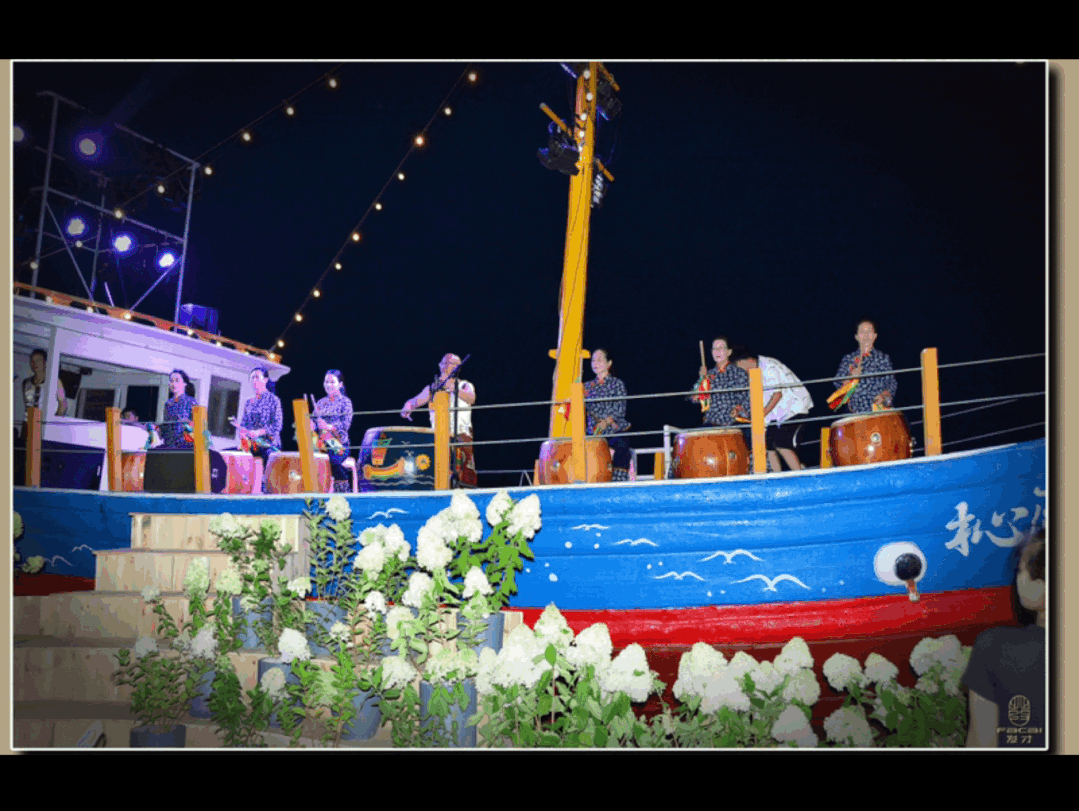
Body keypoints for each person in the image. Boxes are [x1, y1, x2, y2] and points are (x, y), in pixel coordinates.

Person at [962, 528, 1046, 748]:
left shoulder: (995, 647)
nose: (1018, 578)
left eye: (1021, 570)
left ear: (1042, 585)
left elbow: (982, 742)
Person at [400, 353, 477, 487]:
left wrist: (452, 387)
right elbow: (415, 401)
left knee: (464, 471)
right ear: (440, 365)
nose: (448, 366)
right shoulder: (432, 389)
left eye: (453, 364)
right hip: (438, 436)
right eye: (445, 363)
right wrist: (408, 406)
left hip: (460, 434)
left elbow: (471, 398)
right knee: (439, 471)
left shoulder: (464, 385)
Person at [732, 351, 813, 472]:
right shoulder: (756, 374)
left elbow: (777, 394)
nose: (744, 371)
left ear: (749, 360)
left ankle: (799, 475)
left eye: (743, 368)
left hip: (794, 408)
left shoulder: (769, 366)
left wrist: (761, 415)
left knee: (782, 444)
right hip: (777, 414)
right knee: (769, 444)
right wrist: (743, 412)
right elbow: (761, 402)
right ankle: (777, 476)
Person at [229, 366, 283, 494]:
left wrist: (259, 432)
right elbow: (245, 425)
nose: (254, 380)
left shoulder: (274, 400)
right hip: (252, 444)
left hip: (268, 444)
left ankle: (267, 489)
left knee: (270, 457)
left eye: (257, 377)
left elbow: (277, 425)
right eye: (252, 377)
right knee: (232, 454)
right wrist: (242, 431)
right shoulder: (249, 402)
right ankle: (238, 487)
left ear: (265, 380)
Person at [830, 319, 898, 413]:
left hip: (878, 410)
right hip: (854, 412)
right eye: (862, 332)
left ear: (875, 336)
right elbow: (837, 383)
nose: (866, 335)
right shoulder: (848, 359)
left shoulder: (883, 358)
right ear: (856, 337)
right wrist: (851, 377)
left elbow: (892, 384)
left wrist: (884, 396)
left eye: (869, 331)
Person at [584, 348, 632, 481]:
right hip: (594, 432)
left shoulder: (617, 384)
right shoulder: (586, 387)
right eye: (593, 360)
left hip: (614, 430)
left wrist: (606, 422)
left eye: (599, 360)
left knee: (622, 445)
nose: (595, 363)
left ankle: (619, 480)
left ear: (609, 363)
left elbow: (620, 409)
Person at [311, 369, 356, 493]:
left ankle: (343, 490)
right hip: (321, 443)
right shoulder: (321, 402)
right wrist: (311, 424)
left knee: (333, 460)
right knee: (309, 459)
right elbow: (314, 421)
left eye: (332, 382)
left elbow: (345, 425)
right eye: (326, 382)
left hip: (339, 443)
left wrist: (329, 427)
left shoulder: (345, 402)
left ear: (340, 384)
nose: (328, 385)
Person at [695, 337, 752, 429]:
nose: (717, 352)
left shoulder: (738, 373)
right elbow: (694, 398)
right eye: (714, 349)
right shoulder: (708, 375)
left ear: (729, 352)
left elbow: (748, 399)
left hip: (733, 422)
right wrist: (701, 378)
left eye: (720, 348)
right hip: (711, 422)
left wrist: (739, 410)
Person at [22, 348, 67, 418]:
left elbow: (63, 404)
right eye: (32, 361)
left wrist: (53, 421)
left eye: (38, 360)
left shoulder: (55, 381)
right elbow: (27, 406)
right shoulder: (26, 383)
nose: (35, 363)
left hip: (48, 421)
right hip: (31, 421)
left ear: (45, 362)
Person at [158, 369, 197, 448]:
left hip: (184, 445)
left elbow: (198, 426)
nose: (173, 384)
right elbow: (166, 425)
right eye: (171, 381)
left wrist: (188, 423)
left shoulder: (191, 402)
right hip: (169, 444)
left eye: (177, 381)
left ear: (185, 384)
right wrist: (157, 428)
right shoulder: (168, 403)